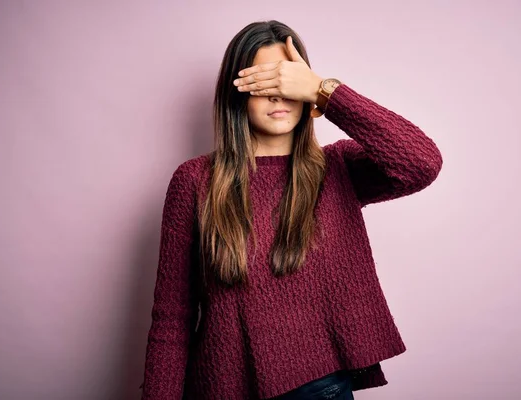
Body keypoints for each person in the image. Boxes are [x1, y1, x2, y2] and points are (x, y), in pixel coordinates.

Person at [139, 20, 443, 400]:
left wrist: (326, 91)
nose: (278, 96)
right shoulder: (195, 181)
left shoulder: (338, 169)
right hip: (219, 390)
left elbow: (421, 163)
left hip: (320, 389)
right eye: (264, 83)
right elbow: (172, 320)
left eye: (287, 82)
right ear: (236, 93)